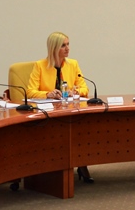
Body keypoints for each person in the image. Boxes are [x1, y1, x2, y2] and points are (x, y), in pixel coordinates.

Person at [27, 32, 93, 182]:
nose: (67, 48)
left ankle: (80, 163)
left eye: (68, 44)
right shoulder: (40, 66)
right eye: (63, 45)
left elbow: (85, 88)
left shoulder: (73, 64)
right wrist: (47, 94)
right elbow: (30, 92)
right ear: (54, 48)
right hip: (48, 112)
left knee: (79, 130)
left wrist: (75, 91)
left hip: (69, 110)